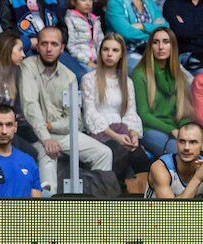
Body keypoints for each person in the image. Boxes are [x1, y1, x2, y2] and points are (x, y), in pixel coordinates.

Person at [18, 26, 112, 193]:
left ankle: (98, 208)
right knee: (48, 155)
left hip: (61, 134)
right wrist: (46, 137)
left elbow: (75, 120)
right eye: (44, 44)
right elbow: (30, 105)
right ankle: (48, 212)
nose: (48, 49)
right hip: (33, 134)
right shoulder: (28, 66)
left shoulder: (69, 76)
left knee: (104, 152)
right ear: (37, 46)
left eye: (54, 44)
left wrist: (51, 126)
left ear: (61, 49)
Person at [80, 33, 151, 193]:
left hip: (123, 130)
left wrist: (133, 134)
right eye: (105, 49)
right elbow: (90, 114)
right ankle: (114, 199)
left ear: (121, 55)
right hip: (101, 134)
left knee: (140, 156)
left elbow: (130, 112)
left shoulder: (127, 81)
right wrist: (117, 137)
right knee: (119, 153)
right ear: (100, 52)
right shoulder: (89, 79)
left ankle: (146, 202)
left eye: (115, 50)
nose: (110, 54)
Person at [132, 27, 193, 156]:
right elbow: (143, 115)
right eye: (156, 42)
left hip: (175, 130)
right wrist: (171, 130)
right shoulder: (140, 75)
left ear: (173, 46)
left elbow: (184, 113)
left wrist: (185, 130)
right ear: (150, 47)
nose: (161, 47)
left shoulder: (179, 75)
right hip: (149, 129)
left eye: (166, 42)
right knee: (177, 150)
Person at [163, 0, 203, 73]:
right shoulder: (171, 4)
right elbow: (177, 32)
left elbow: (184, 31)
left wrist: (187, 27)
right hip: (183, 57)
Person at [144, 122, 203, 198]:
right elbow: (172, 208)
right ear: (176, 143)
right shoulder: (160, 167)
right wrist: (197, 178)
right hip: (156, 210)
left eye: (193, 142)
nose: (186, 147)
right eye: (182, 141)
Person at [64, 0, 103, 70]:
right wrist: (87, 61)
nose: (88, 3)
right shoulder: (70, 18)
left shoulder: (95, 20)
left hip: (97, 61)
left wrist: (102, 59)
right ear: (73, 2)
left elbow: (101, 41)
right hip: (80, 61)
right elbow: (71, 46)